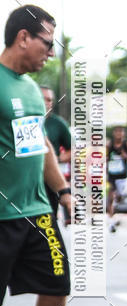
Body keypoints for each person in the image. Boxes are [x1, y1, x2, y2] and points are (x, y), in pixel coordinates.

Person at [0, 5, 73, 306]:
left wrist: (62, 191)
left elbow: (40, 146)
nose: (50, 52)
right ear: (22, 37)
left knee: (58, 284)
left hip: (36, 212)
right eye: (47, 43)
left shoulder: (29, 89)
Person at [41, 85, 71, 221]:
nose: (47, 103)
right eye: (44, 99)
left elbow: (74, 149)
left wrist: (56, 160)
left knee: (49, 220)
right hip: (26, 182)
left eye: (50, 100)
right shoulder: (21, 119)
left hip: (50, 181)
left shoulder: (58, 124)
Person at [106, 126, 127, 232]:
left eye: (121, 131)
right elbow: (103, 158)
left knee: (118, 197)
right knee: (111, 196)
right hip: (111, 176)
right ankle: (111, 221)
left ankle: (114, 210)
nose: (119, 134)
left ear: (123, 133)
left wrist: (126, 156)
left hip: (122, 177)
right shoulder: (109, 145)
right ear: (114, 133)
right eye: (117, 131)